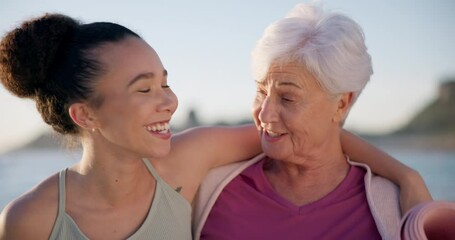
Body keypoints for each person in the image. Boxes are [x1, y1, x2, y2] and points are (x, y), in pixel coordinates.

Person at [0, 13, 429, 240]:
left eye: (165, 83)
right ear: (85, 116)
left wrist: (407, 178)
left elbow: (315, 137)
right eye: (144, 90)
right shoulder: (28, 221)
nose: (170, 101)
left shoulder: (186, 163)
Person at [193, 3, 432, 240]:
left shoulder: (396, 207)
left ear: (341, 104)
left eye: (287, 98)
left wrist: (408, 180)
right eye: (261, 93)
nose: (264, 115)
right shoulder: (210, 188)